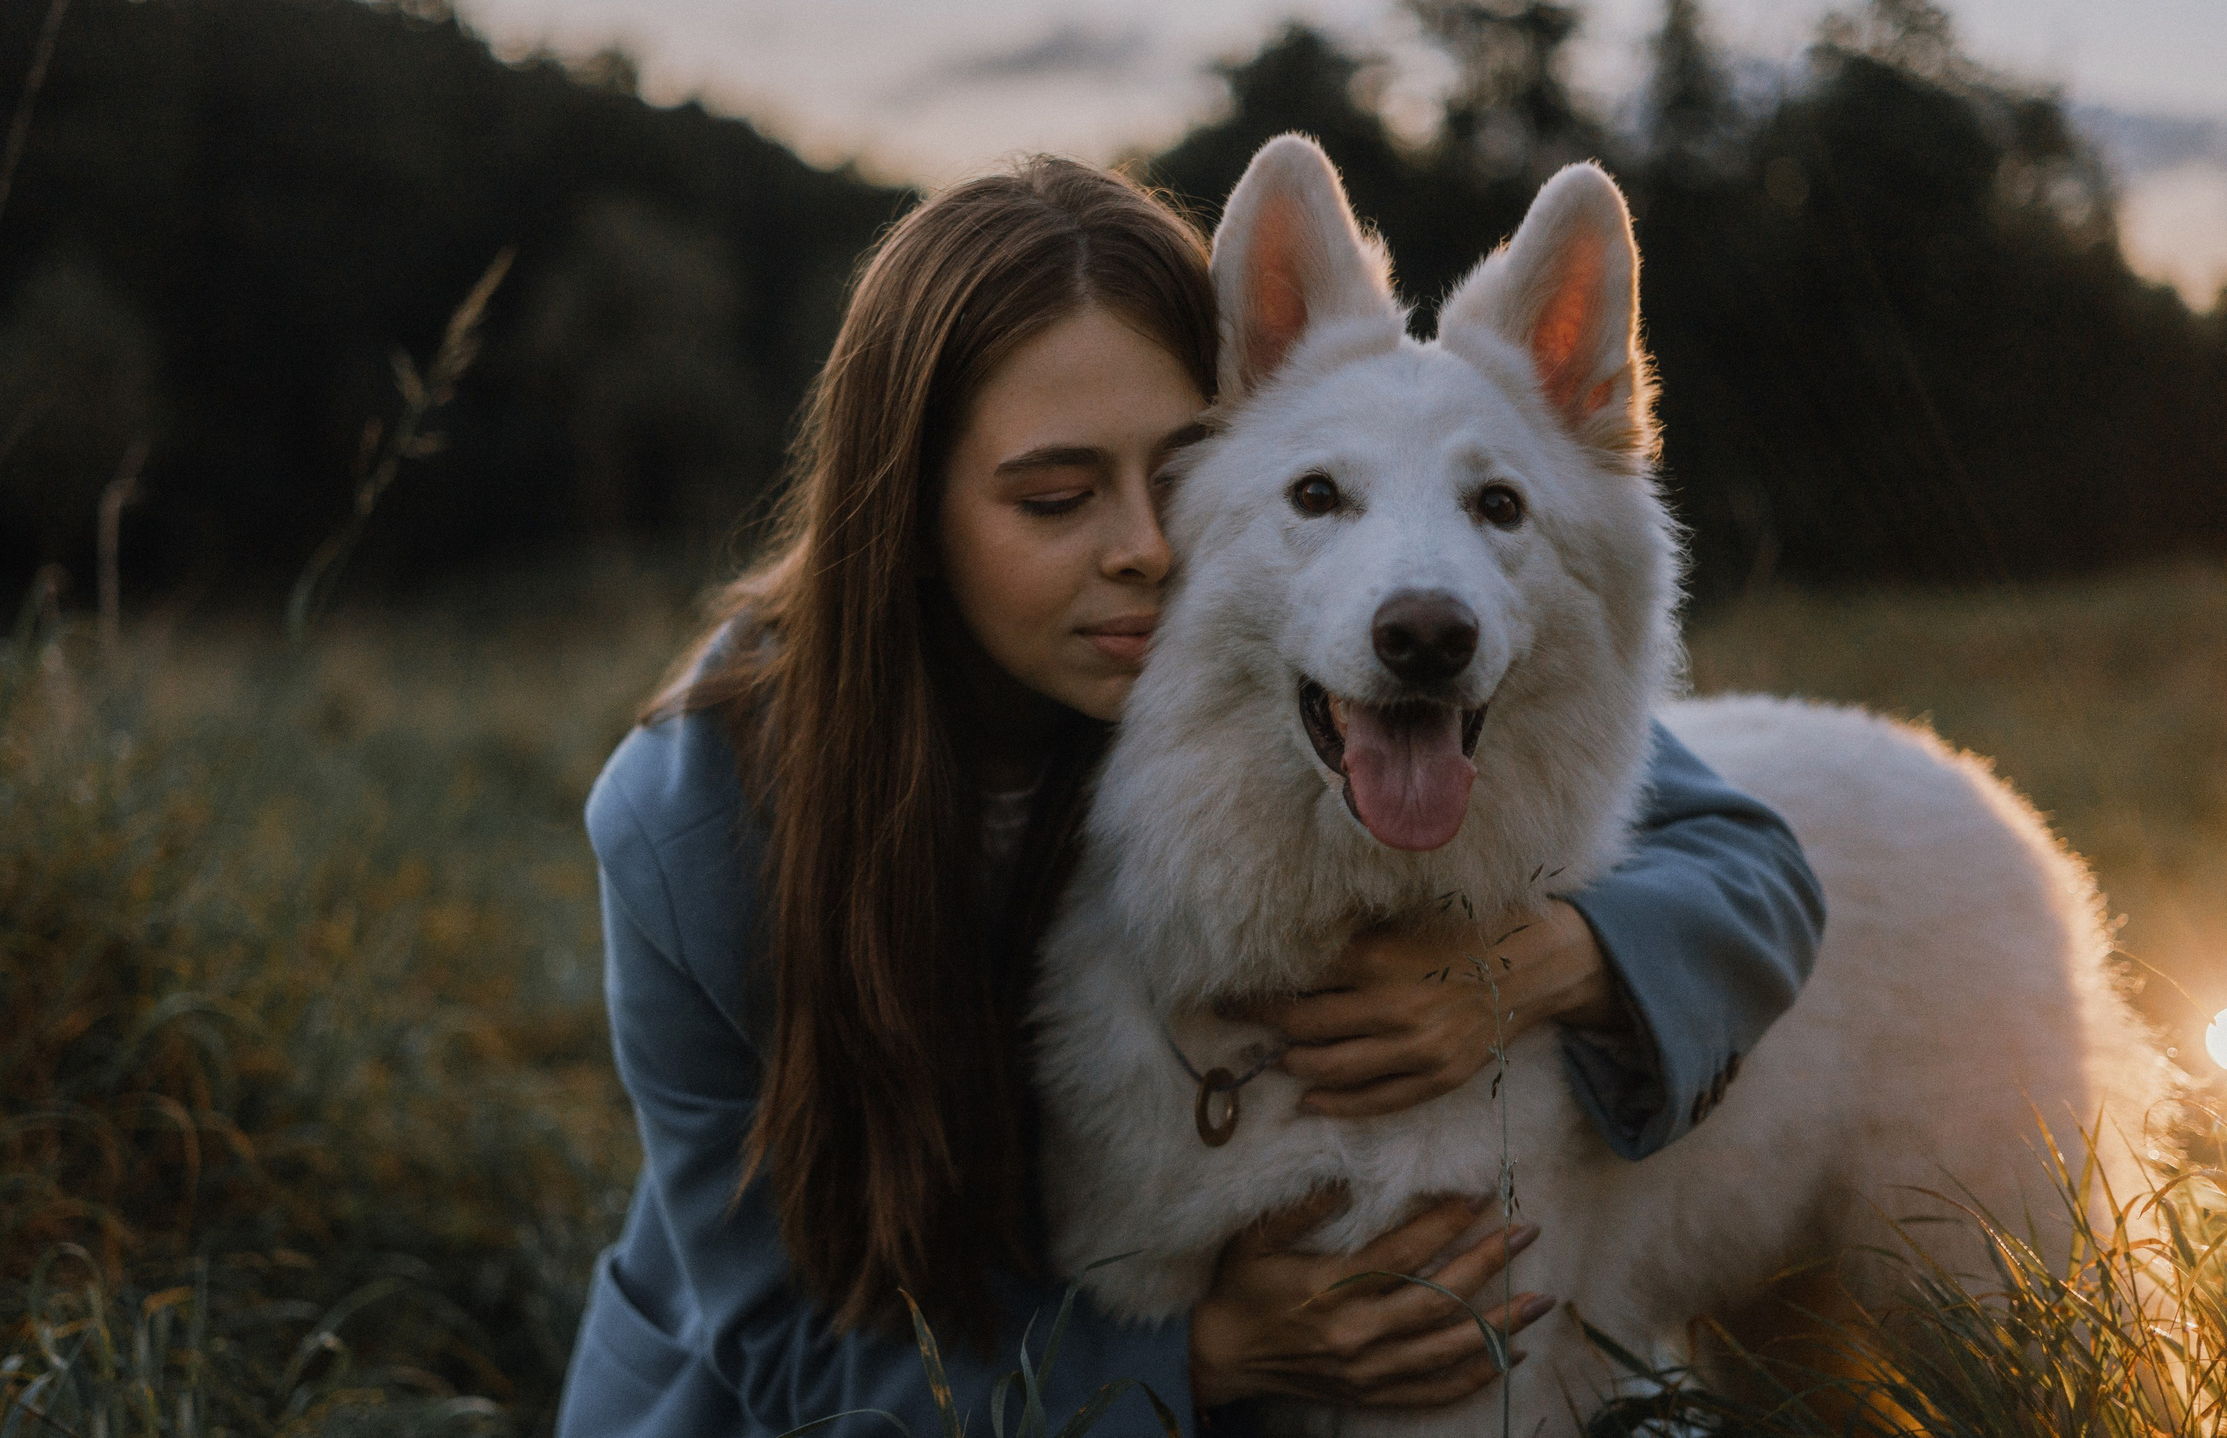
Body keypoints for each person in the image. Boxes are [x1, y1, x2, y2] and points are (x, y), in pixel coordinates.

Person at [555, 156, 1823, 1436]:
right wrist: (1202, 1357)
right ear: (905, 511)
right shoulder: (690, 825)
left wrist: (1530, 964)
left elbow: (1743, 858)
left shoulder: (1236, 649)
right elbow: (780, 1347)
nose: (1146, 548)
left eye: (1176, 472)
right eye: (1055, 498)